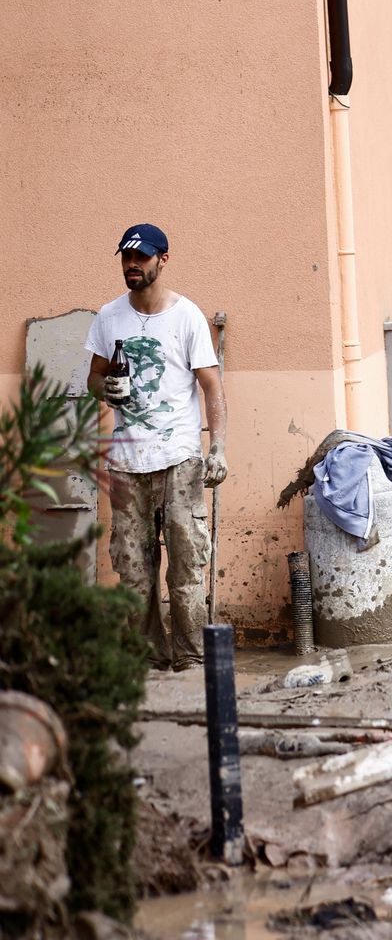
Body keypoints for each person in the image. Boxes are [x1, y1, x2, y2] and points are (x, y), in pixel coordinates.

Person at [84, 224, 227, 669]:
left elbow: (212, 387)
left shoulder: (186, 317)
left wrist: (218, 447)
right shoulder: (109, 317)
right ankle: (149, 662)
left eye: (141, 258)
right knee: (133, 573)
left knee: (186, 570)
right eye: (126, 258)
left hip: (179, 461)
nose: (132, 265)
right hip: (127, 464)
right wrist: (105, 389)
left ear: (162, 260)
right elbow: (93, 377)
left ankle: (192, 662)